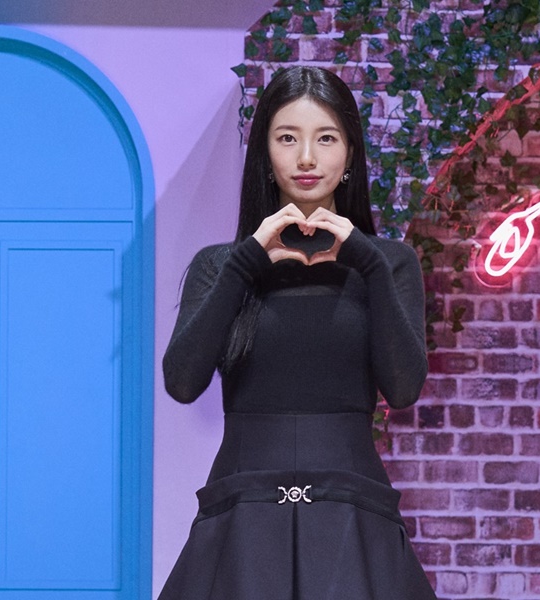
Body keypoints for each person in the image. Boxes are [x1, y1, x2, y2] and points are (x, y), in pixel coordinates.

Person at [159, 66, 436, 599]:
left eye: (325, 138)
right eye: (288, 138)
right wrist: (244, 264)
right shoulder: (221, 265)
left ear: (350, 154)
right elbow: (182, 382)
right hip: (243, 516)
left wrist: (367, 261)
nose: (307, 157)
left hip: (352, 514)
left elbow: (403, 391)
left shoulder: (389, 264)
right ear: (265, 152)